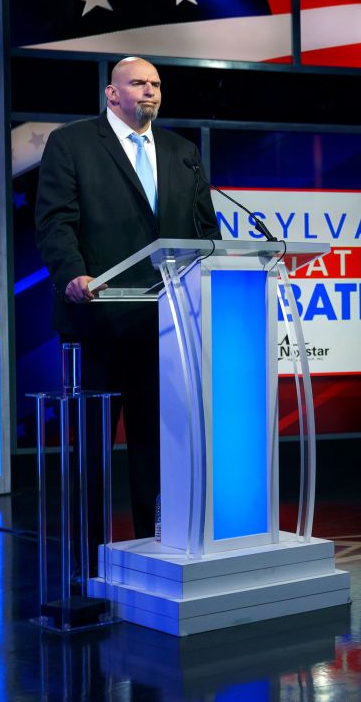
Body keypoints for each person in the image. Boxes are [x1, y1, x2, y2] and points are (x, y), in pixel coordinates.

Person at [34, 57, 220, 557]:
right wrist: (72, 273)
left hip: (166, 323)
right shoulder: (72, 143)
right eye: (138, 83)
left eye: (156, 84)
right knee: (93, 453)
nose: (150, 92)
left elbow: (206, 232)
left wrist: (215, 270)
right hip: (97, 320)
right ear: (111, 94)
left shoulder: (182, 152)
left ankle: (156, 548)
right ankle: (87, 558)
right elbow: (55, 221)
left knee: (156, 451)